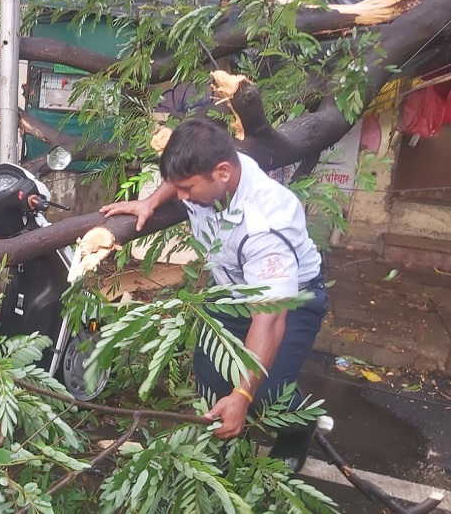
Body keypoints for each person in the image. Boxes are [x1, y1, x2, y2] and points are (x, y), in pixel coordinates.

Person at [100, 118, 328, 471]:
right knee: (210, 372)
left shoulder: (266, 224)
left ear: (222, 172)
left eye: (187, 189)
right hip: (230, 291)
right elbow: (180, 179)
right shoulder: (212, 174)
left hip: (289, 301)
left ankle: (300, 427)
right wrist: (150, 201)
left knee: (266, 394)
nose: (182, 198)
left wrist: (243, 394)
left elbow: (269, 321)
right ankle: (223, 449)